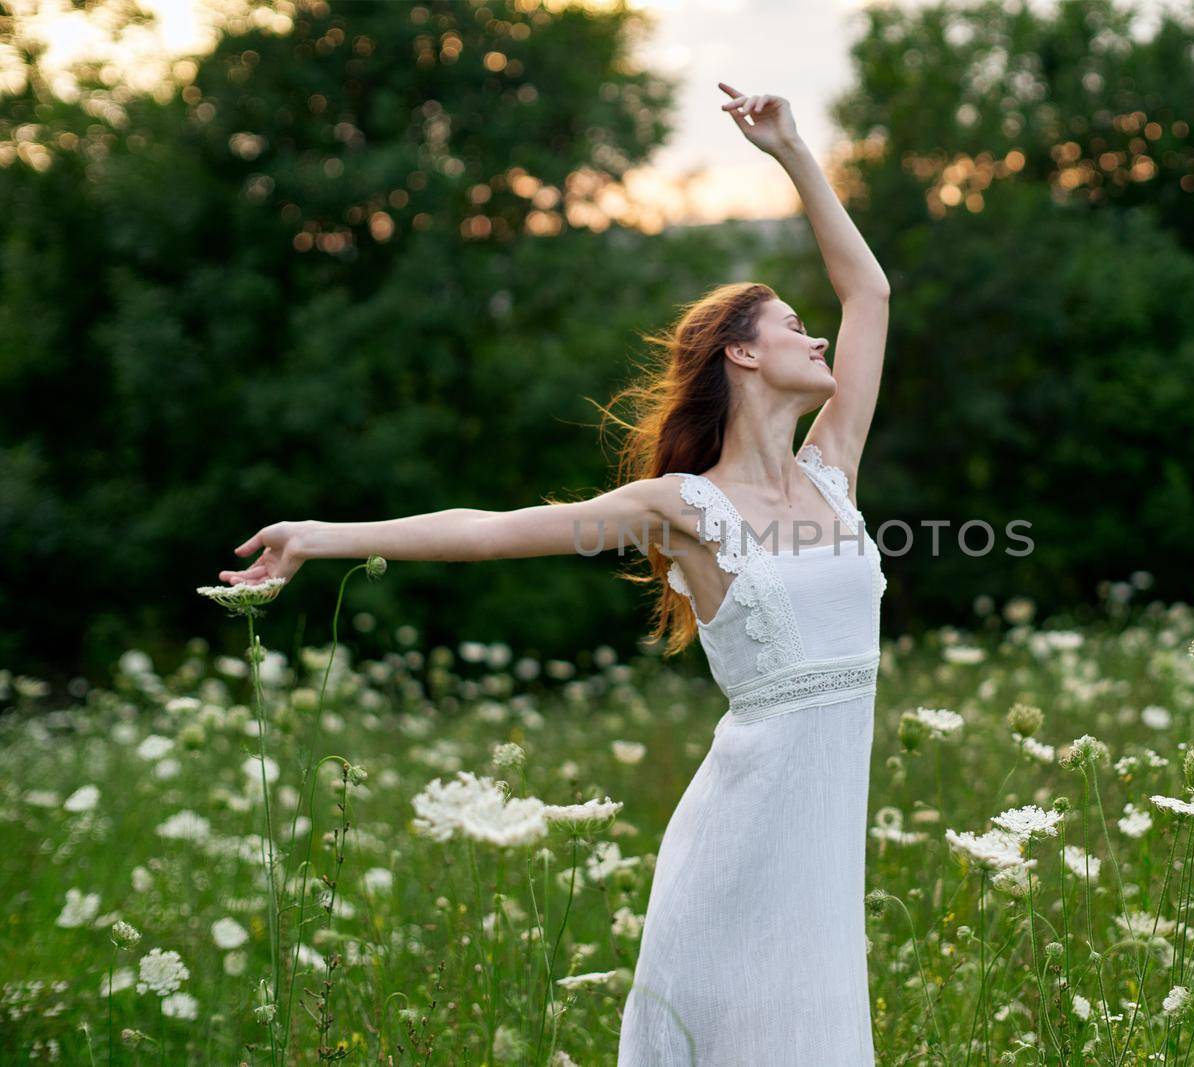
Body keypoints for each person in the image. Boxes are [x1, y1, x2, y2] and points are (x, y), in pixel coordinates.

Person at [218, 82, 890, 1065]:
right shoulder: (682, 507)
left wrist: (792, 153)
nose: (816, 334)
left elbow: (867, 292)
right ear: (743, 355)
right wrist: (322, 533)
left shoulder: (834, 474)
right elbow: (491, 530)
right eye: (793, 324)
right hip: (740, 848)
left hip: (824, 856)